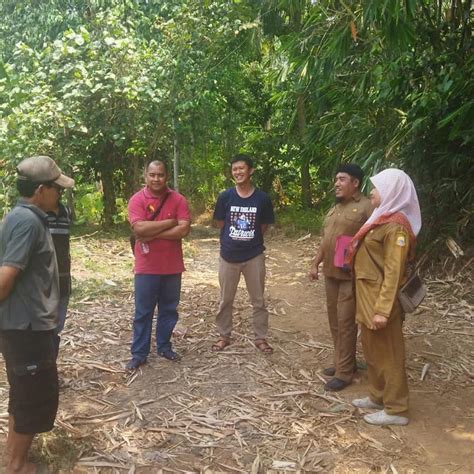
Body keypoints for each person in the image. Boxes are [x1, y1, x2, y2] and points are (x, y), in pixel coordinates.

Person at [0, 155, 74, 473]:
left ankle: (14, 458)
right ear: (41, 190)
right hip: (26, 327)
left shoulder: (19, 217)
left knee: (23, 391)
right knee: (33, 397)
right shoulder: (28, 223)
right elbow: (6, 276)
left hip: (23, 323)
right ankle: (17, 466)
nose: (59, 194)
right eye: (56, 189)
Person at [349, 168, 421, 426]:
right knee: (372, 350)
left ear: (392, 191)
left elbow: (393, 272)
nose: (371, 192)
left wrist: (382, 309)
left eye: (376, 188)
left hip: (381, 300)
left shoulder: (396, 227)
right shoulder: (381, 219)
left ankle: (397, 408)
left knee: (389, 353)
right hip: (368, 296)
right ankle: (378, 396)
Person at [309, 164, 373, 391]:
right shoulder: (335, 208)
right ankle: (342, 362)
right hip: (331, 272)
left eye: (342, 179)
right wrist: (315, 263)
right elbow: (326, 239)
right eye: (336, 179)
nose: (336, 183)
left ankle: (345, 373)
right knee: (335, 320)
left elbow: (375, 242)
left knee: (346, 322)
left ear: (355, 183)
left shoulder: (367, 207)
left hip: (351, 275)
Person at [126, 160, 191, 370]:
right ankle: (139, 353)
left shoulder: (178, 200)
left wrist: (153, 232)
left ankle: (164, 346)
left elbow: (183, 230)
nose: (156, 179)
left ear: (167, 176)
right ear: (146, 176)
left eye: (160, 175)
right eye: (152, 175)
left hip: (172, 266)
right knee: (143, 312)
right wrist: (170, 223)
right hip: (147, 267)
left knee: (169, 310)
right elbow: (139, 228)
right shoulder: (137, 200)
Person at [212, 154, 275, 353]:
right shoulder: (225, 197)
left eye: (242, 168)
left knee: (258, 300)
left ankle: (261, 338)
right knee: (225, 300)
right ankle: (224, 336)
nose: (238, 172)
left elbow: (263, 226)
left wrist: (248, 238)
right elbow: (220, 223)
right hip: (228, 256)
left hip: (254, 256)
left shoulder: (262, 198)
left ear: (251, 171)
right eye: (234, 169)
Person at [46, 200, 72, 357]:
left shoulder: (66, 212)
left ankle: (50, 369)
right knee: (43, 329)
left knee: (57, 327)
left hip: (63, 279)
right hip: (43, 283)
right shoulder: (35, 215)